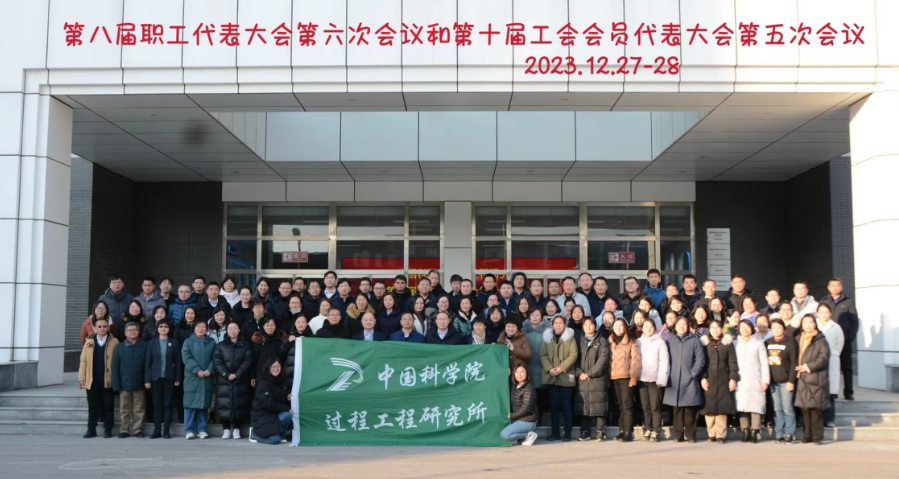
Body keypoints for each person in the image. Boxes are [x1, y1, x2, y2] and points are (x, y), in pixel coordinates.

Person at [664, 316, 706, 443]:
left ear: (688, 326)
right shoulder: (669, 341)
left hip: (690, 378)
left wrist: (694, 372)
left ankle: (691, 435)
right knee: (677, 409)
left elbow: (700, 358)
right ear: (675, 327)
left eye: (684, 324)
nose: (682, 327)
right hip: (674, 379)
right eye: (679, 324)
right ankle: (678, 435)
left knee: (690, 409)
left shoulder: (694, 340)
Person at [79, 315, 119, 438]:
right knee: (93, 406)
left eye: (104, 326)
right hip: (92, 379)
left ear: (108, 328)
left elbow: (118, 362)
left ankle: (108, 429)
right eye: (99, 326)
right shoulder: (89, 341)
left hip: (108, 379)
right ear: (95, 328)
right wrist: (82, 378)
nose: (102, 328)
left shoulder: (114, 342)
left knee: (108, 406)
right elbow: (83, 360)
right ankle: (91, 429)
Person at [794, 314, 831, 445]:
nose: (808, 325)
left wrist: (808, 366)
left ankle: (817, 437)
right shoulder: (798, 339)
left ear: (815, 324)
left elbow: (823, 358)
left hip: (816, 378)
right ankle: (807, 435)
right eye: (805, 322)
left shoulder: (821, 340)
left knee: (816, 409)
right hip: (802, 378)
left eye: (810, 322)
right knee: (805, 409)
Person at [540, 315, 578, 442]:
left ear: (564, 324)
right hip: (551, 377)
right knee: (554, 406)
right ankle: (555, 432)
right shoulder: (547, 338)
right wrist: (549, 368)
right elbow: (543, 355)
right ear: (552, 324)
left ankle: (567, 433)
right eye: (556, 323)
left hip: (565, 376)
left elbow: (573, 355)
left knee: (566, 405)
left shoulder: (570, 338)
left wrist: (561, 368)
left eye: (560, 323)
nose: (558, 325)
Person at [820, 278, 859, 401]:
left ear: (841, 287)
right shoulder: (824, 301)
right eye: (832, 285)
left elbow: (854, 321)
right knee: (829, 366)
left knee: (847, 367)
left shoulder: (848, 302)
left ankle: (848, 392)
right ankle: (833, 391)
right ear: (828, 287)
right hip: (828, 340)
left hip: (844, 340)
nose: (835, 287)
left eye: (837, 285)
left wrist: (850, 337)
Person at [700, 320, 738, 444]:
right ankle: (711, 434)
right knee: (709, 407)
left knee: (722, 406)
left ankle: (721, 434)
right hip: (708, 378)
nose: (715, 330)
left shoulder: (727, 343)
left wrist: (733, 378)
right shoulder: (704, 343)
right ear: (709, 329)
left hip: (724, 378)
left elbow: (732, 362)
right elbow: (701, 362)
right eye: (713, 327)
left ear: (721, 329)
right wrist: (702, 377)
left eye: (718, 327)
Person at [214, 322, 254, 440]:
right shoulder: (221, 345)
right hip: (224, 380)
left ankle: (237, 429)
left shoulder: (245, 345)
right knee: (224, 403)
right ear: (227, 331)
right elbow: (217, 361)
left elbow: (248, 360)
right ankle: (225, 429)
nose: (232, 331)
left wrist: (237, 374)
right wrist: (226, 374)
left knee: (239, 403)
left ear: (239, 330)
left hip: (240, 379)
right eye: (230, 329)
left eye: (235, 328)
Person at [734, 319, 770, 443]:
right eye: (742, 327)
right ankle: (745, 430)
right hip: (740, 379)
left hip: (755, 378)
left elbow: (764, 363)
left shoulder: (759, 343)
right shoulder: (735, 343)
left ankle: (755, 431)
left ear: (752, 328)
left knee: (756, 405)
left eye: (747, 327)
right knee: (742, 406)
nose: (745, 330)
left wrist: (765, 380)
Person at [144, 319, 181, 439]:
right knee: (157, 405)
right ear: (157, 328)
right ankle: (157, 430)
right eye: (161, 326)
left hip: (169, 378)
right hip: (155, 378)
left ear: (169, 329)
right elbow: (148, 363)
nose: (163, 328)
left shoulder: (174, 342)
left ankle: (166, 430)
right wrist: (147, 380)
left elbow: (178, 362)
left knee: (168, 404)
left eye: (165, 326)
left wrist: (178, 377)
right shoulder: (152, 343)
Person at [576, 317, 611, 441]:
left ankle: (600, 431)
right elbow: (574, 358)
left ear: (595, 326)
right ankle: (585, 431)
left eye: (591, 324)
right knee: (584, 404)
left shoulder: (602, 340)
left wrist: (590, 373)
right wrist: (580, 373)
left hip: (598, 378)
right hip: (582, 378)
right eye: (585, 325)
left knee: (599, 405)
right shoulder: (579, 340)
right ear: (582, 327)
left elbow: (603, 360)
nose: (588, 327)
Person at [111, 321, 148, 439]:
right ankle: (125, 429)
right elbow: (115, 367)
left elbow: (148, 366)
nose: (133, 332)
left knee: (139, 409)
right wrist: (116, 385)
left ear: (139, 331)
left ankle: (138, 429)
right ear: (125, 333)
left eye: (135, 330)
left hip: (140, 382)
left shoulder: (145, 346)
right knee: (124, 409)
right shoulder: (120, 347)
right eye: (130, 330)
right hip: (124, 384)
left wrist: (147, 381)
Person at [181, 320, 216, 440]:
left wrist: (210, 369)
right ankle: (189, 430)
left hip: (206, 377)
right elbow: (186, 357)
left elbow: (215, 358)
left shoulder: (211, 342)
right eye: (198, 326)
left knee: (203, 405)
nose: (201, 329)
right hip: (192, 377)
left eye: (203, 327)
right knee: (190, 405)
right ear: (194, 328)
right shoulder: (188, 342)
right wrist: (197, 370)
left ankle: (202, 429)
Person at [608, 317, 641, 442]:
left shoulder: (631, 342)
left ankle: (628, 432)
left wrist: (633, 377)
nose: (618, 328)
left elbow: (636, 361)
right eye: (616, 326)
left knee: (627, 405)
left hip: (626, 377)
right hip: (613, 377)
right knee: (619, 405)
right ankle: (622, 430)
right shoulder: (610, 341)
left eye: (621, 325)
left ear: (625, 327)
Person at [766, 317, 799, 444]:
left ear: (784, 329)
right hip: (773, 382)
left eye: (779, 327)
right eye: (773, 328)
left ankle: (789, 432)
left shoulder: (790, 343)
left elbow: (794, 363)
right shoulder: (767, 342)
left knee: (787, 408)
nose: (776, 330)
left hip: (786, 381)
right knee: (777, 409)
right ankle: (779, 432)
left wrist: (791, 381)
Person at [637, 319, 669, 442]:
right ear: (642, 328)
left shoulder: (660, 342)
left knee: (655, 406)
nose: (648, 329)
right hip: (642, 378)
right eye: (646, 326)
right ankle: (648, 428)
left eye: (650, 327)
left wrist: (662, 378)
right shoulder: (638, 341)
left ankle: (656, 430)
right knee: (645, 406)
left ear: (654, 328)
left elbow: (664, 362)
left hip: (655, 379)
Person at [249, 358, 294, 445]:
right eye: (273, 366)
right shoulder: (263, 383)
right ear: (268, 368)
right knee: (274, 440)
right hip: (262, 418)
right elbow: (269, 404)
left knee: (288, 415)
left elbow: (278, 396)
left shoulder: (280, 381)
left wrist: (287, 396)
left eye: (278, 366)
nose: (275, 369)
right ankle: (254, 434)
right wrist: (287, 408)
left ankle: (281, 435)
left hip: (274, 416)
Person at [817, 303, 845, 428]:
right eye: (821, 312)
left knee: (830, 391)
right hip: (817, 360)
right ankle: (818, 419)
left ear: (830, 313)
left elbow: (840, 344)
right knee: (818, 391)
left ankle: (829, 419)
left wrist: (833, 353)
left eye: (826, 312)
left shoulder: (836, 327)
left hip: (832, 359)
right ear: (817, 313)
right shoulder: (813, 324)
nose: (824, 314)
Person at [522, 308, 550, 423]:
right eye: (532, 315)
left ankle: (539, 419)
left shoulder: (547, 332)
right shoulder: (523, 331)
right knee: (527, 395)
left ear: (542, 317)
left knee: (540, 395)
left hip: (542, 366)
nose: (534, 317)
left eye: (537, 315)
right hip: (526, 367)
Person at [501, 364, 540, 446]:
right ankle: (517, 438)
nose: (519, 374)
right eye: (517, 372)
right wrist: (505, 373)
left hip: (527, 421)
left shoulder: (529, 389)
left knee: (505, 435)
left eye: (522, 372)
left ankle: (529, 435)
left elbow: (526, 408)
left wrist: (512, 416)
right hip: (517, 419)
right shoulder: (515, 385)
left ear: (527, 373)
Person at [251, 317, 287, 385]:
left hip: (277, 373)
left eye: (272, 325)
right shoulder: (258, 339)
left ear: (275, 326)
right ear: (263, 326)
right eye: (267, 325)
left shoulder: (281, 339)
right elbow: (254, 358)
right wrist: (253, 376)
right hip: (261, 374)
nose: (270, 327)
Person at [282, 313, 311, 394]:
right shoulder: (289, 337)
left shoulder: (312, 337)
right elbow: (281, 354)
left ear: (307, 323)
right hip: (290, 373)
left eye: (303, 322)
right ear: (295, 323)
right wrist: (288, 342)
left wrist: (308, 342)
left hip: (307, 373)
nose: (300, 324)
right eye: (298, 322)